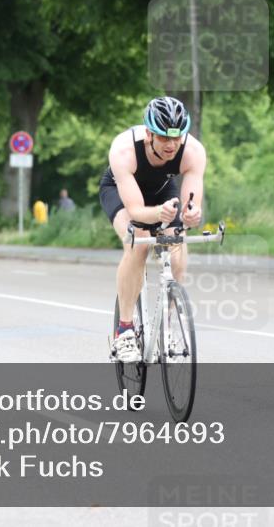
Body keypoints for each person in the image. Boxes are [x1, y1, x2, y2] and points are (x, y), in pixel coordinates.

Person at [99, 96, 206, 363]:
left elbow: (191, 203)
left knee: (177, 244)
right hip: (120, 192)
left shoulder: (193, 151)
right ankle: (124, 331)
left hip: (162, 189)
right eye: (163, 137)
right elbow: (136, 211)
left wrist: (191, 214)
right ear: (149, 134)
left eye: (176, 138)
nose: (171, 145)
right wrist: (158, 214)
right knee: (138, 242)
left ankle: (166, 328)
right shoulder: (124, 150)